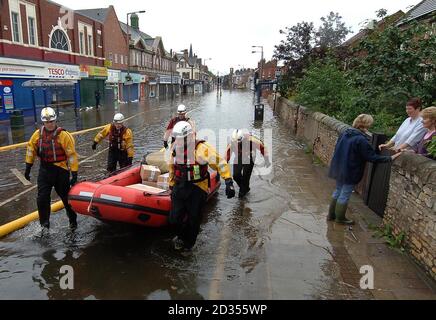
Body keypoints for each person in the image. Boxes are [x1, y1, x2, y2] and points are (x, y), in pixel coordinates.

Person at [168, 121, 235, 252]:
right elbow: (172, 166)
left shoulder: (202, 148)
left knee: (194, 219)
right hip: (180, 185)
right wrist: (171, 184)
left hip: (197, 188)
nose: (177, 141)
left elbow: (220, 163)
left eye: (180, 139)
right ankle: (181, 236)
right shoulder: (175, 148)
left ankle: (189, 245)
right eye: (176, 138)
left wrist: (228, 181)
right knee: (174, 219)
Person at [328, 114, 401, 225]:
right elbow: (371, 157)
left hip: (339, 167)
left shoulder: (345, 133)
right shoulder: (361, 139)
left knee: (338, 190)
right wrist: (389, 158)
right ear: (366, 124)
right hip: (350, 170)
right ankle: (340, 218)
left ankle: (331, 215)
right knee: (345, 193)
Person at [24, 107, 78, 230]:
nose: (50, 124)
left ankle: (73, 221)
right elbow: (30, 150)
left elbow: (72, 155)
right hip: (45, 171)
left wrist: (74, 173)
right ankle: (44, 225)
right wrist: (28, 167)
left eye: (52, 121)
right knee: (42, 198)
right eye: (47, 122)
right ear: (43, 122)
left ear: (55, 120)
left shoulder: (64, 136)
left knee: (66, 198)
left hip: (61, 171)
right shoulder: (37, 135)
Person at [225, 129, 271, 198]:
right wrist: (224, 164)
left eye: (239, 142)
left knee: (245, 177)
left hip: (250, 156)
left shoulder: (252, 140)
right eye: (236, 142)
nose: (237, 143)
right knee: (235, 175)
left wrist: (266, 160)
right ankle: (245, 188)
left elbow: (263, 148)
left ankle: (242, 193)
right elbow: (227, 153)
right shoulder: (232, 142)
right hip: (239, 155)